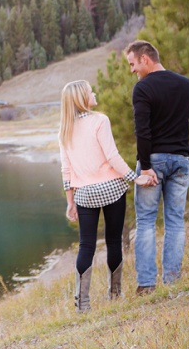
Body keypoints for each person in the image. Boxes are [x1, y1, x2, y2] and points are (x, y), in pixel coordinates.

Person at [124, 40, 189, 294]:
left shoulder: (143, 88)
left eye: (132, 64)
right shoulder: (187, 85)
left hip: (154, 161)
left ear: (145, 59)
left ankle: (147, 285)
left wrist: (147, 167)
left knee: (146, 222)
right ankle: (172, 280)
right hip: (181, 162)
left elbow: (142, 131)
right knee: (175, 222)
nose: (132, 70)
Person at [59, 80, 152, 312]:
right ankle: (115, 294)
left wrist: (70, 202)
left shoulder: (64, 130)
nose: (94, 93)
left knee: (86, 245)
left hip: (85, 195)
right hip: (112, 189)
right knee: (113, 241)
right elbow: (112, 156)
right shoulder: (100, 120)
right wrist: (135, 177)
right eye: (91, 91)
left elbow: (66, 170)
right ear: (82, 98)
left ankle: (82, 304)